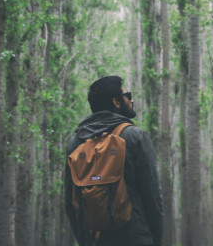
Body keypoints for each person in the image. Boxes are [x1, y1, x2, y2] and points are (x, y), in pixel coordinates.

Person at [64, 76, 163, 246]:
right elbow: (152, 198)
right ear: (116, 103)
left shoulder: (76, 143)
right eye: (127, 95)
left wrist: (85, 241)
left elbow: (70, 203)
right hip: (136, 238)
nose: (132, 100)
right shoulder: (134, 137)